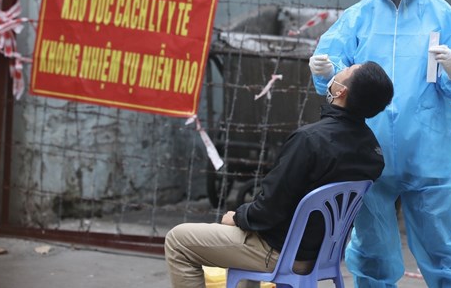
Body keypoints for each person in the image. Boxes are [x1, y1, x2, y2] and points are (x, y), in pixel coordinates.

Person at [309, 0, 451, 287]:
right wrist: (327, 71)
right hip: (367, 148)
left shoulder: (441, 16)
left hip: (428, 151)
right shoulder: (358, 17)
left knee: (441, 243)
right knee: (372, 246)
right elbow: (334, 72)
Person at [165, 61, 394, 288]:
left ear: (341, 91)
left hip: (279, 252)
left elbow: (267, 212)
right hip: (323, 255)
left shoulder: (309, 140)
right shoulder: (372, 151)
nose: (338, 71)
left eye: (344, 71)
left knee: (178, 240)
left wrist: (236, 217)